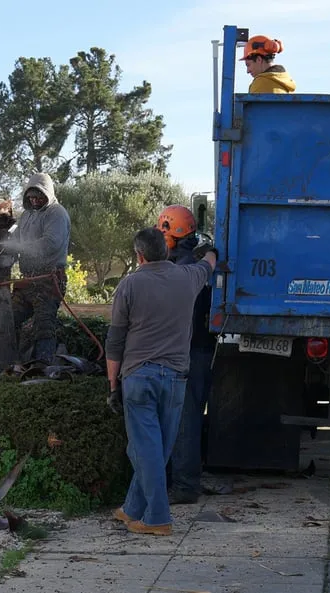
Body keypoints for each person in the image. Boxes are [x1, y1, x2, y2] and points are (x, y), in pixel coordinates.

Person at [105, 227, 218, 536]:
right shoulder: (188, 277)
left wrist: (113, 385)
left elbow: (114, 342)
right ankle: (132, 509)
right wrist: (211, 251)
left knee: (144, 449)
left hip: (139, 376)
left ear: (139, 256)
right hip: (177, 379)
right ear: (166, 251)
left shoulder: (129, 285)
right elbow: (209, 262)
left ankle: (157, 518)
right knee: (157, 447)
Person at [157, 206, 214, 505]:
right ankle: (180, 481)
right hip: (201, 347)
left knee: (182, 420)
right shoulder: (199, 258)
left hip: (184, 351)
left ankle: (184, 485)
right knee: (186, 416)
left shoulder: (176, 266)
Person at [6, 172, 71, 364]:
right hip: (28, 280)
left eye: (38, 197)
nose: (34, 201)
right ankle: (11, 362)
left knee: (44, 323)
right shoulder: (25, 216)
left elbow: (51, 243)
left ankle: (45, 367)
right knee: (9, 319)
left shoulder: (56, 213)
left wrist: (22, 248)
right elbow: (15, 240)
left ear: (47, 194)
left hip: (48, 280)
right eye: (31, 197)